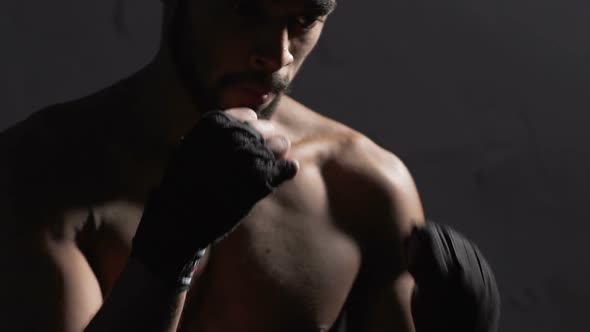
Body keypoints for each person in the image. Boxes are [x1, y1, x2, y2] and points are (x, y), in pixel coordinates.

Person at [1, 0, 500, 331]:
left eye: (306, 17)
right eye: (246, 8)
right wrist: (164, 258)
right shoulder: (37, 172)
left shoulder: (362, 186)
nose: (278, 54)